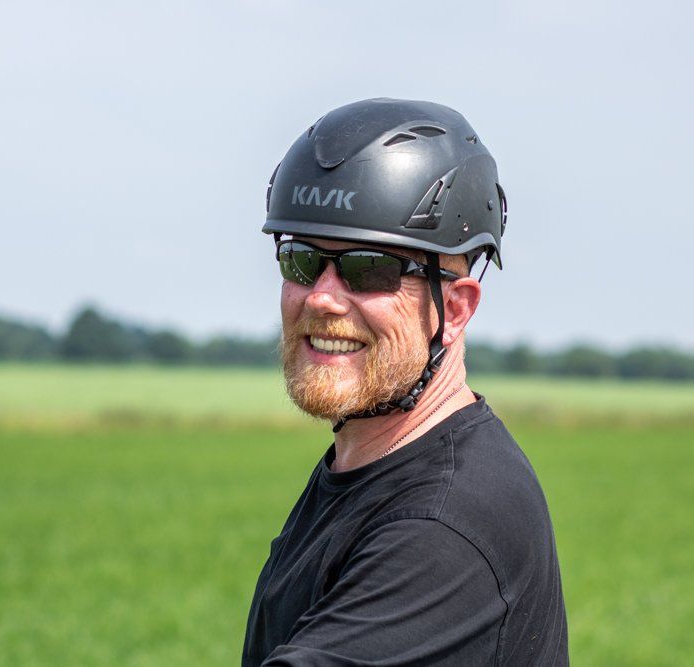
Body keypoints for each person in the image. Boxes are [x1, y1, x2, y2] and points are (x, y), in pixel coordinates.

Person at [242, 98, 568, 666]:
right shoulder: (370, 466)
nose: (321, 298)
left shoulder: (440, 528)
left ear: (456, 308)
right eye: (301, 260)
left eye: (369, 269)